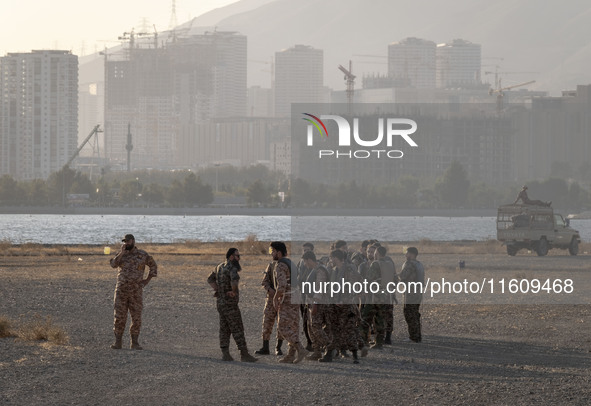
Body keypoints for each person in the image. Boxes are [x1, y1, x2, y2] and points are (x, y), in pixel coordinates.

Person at [207, 248, 257, 362]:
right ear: (231, 257)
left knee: (224, 328)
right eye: (237, 256)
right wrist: (233, 292)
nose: (239, 258)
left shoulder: (219, 267)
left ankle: (225, 353)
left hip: (220, 303)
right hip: (230, 304)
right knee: (237, 327)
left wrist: (217, 289)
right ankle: (244, 354)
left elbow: (210, 279)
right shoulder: (232, 268)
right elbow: (234, 282)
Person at [110, 234, 157, 350]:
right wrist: (121, 254)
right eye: (125, 241)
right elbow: (113, 265)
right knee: (119, 316)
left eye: (128, 241)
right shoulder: (121, 255)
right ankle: (118, 342)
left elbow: (153, 266)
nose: (127, 243)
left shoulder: (142, 255)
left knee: (136, 316)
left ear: (133, 241)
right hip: (121, 290)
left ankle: (135, 342)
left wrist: (147, 280)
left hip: (136, 291)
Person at [270, 241, 308, 363]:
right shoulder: (290, 263)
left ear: (279, 253)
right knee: (293, 325)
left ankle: (300, 348)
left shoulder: (280, 265)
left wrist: (275, 298)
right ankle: (291, 355)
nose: (271, 254)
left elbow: (281, 285)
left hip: (288, 297)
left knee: (282, 327)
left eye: (272, 251)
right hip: (296, 296)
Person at [300, 250, 333, 361]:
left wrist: (315, 303)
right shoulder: (314, 270)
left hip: (318, 304)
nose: (305, 264)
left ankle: (329, 347)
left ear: (309, 260)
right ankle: (317, 351)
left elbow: (319, 288)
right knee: (311, 329)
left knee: (316, 328)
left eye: (305, 261)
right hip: (311, 303)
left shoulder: (320, 271)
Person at [254, 261, 284, 356]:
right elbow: (264, 281)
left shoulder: (286, 266)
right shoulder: (271, 266)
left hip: (282, 299)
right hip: (271, 299)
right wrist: (269, 289)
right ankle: (265, 347)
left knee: (281, 323)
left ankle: (278, 347)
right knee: (267, 322)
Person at [398, 246, 425, 343]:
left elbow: (403, 277)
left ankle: (413, 337)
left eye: (407, 253)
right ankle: (417, 336)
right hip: (418, 293)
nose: (406, 255)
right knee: (415, 314)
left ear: (412, 254)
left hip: (411, 293)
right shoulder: (419, 264)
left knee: (409, 314)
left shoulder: (409, 264)